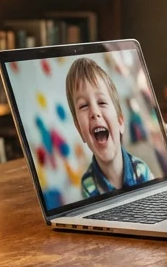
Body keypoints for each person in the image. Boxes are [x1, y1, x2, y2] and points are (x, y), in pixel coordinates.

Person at [65, 57, 153, 198]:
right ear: (80, 131)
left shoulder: (141, 170)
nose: (94, 112)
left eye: (101, 102)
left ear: (120, 122)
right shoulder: (88, 185)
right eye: (84, 106)